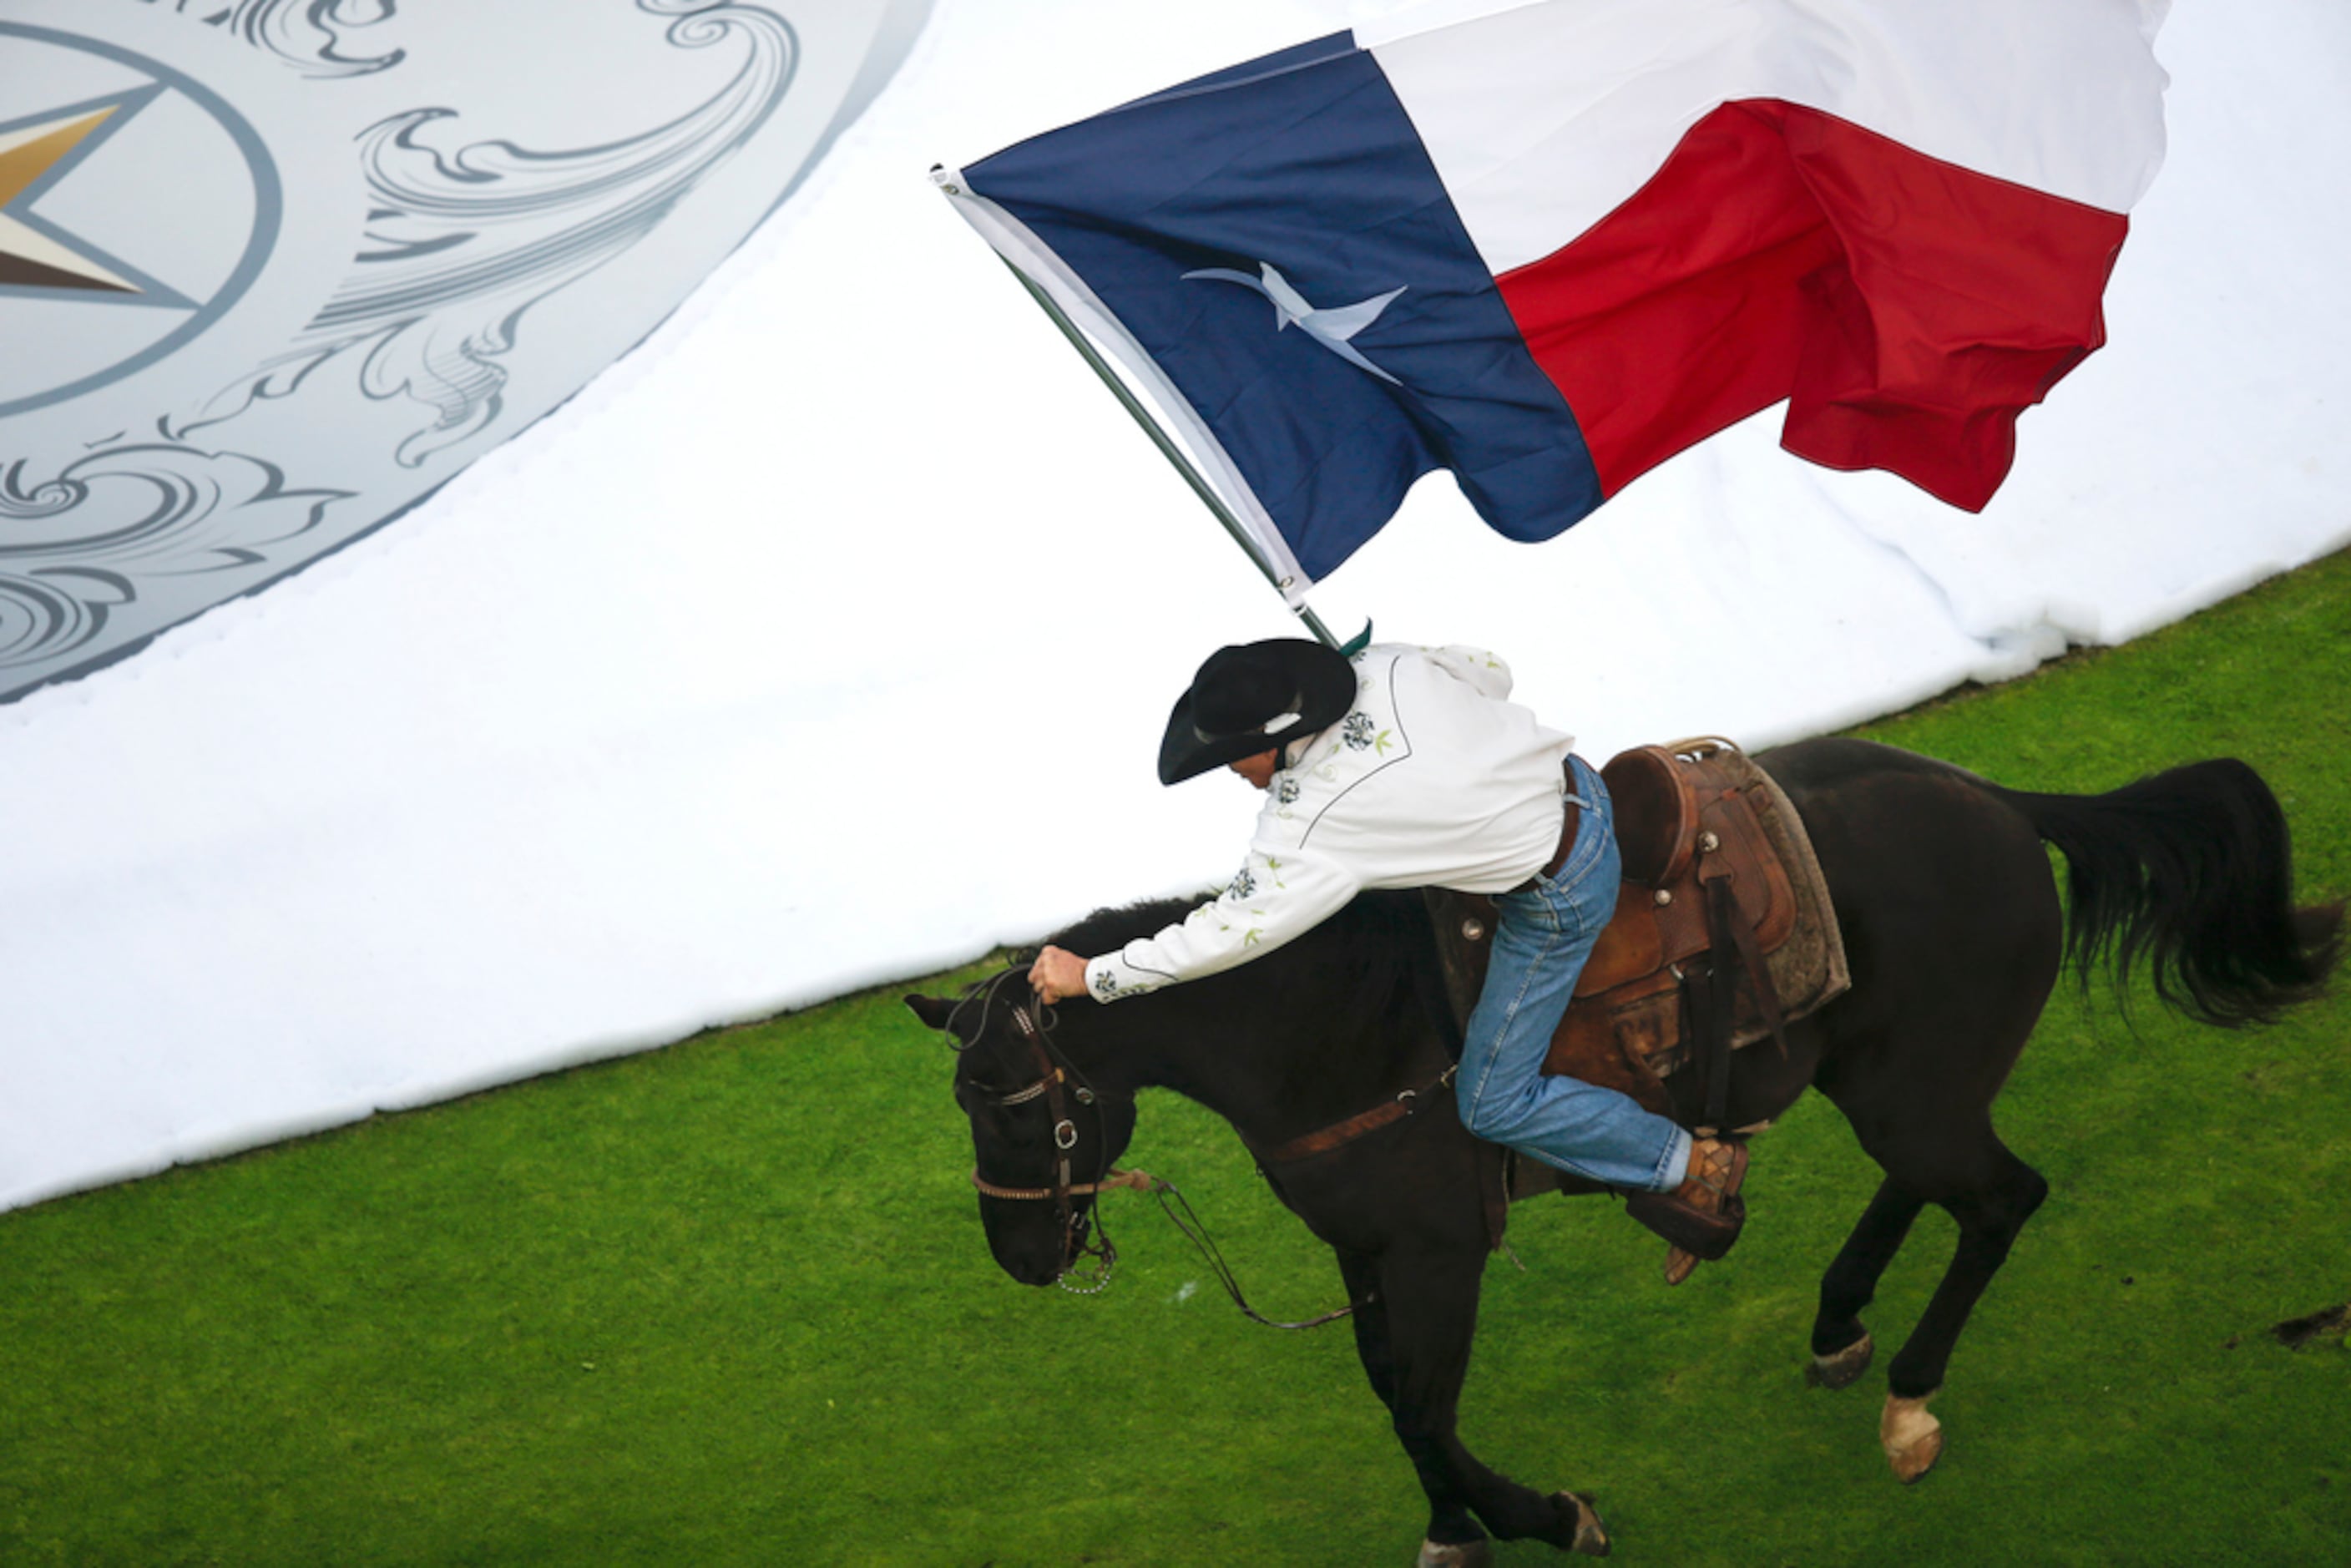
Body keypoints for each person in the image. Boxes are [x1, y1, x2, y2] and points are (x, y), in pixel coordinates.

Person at [1028, 638, 1748, 1279]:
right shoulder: (1379, 663)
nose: (1229, 772)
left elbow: (1231, 931)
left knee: (1492, 1098)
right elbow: (1491, 671)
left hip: (1559, 891)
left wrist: (1092, 975)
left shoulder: (1313, 820)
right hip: (1582, 785)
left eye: (1229, 756)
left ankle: (1683, 1161)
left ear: (1283, 735)